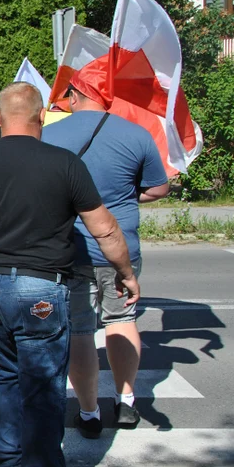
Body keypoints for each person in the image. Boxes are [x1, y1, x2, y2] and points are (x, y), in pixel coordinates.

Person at [0, 83, 140, 467]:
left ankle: (11, 463)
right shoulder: (64, 164)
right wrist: (125, 273)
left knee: (4, 377)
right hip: (41, 291)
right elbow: (105, 229)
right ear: (40, 118)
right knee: (45, 390)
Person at [42, 79, 169, 436]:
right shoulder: (137, 134)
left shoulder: (50, 137)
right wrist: (125, 198)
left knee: (80, 330)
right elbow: (159, 187)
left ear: (76, 96)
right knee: (121, 318)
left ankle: (88, 412)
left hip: (70, 248)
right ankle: (126, 401)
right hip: (120, 247)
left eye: (68, 95)